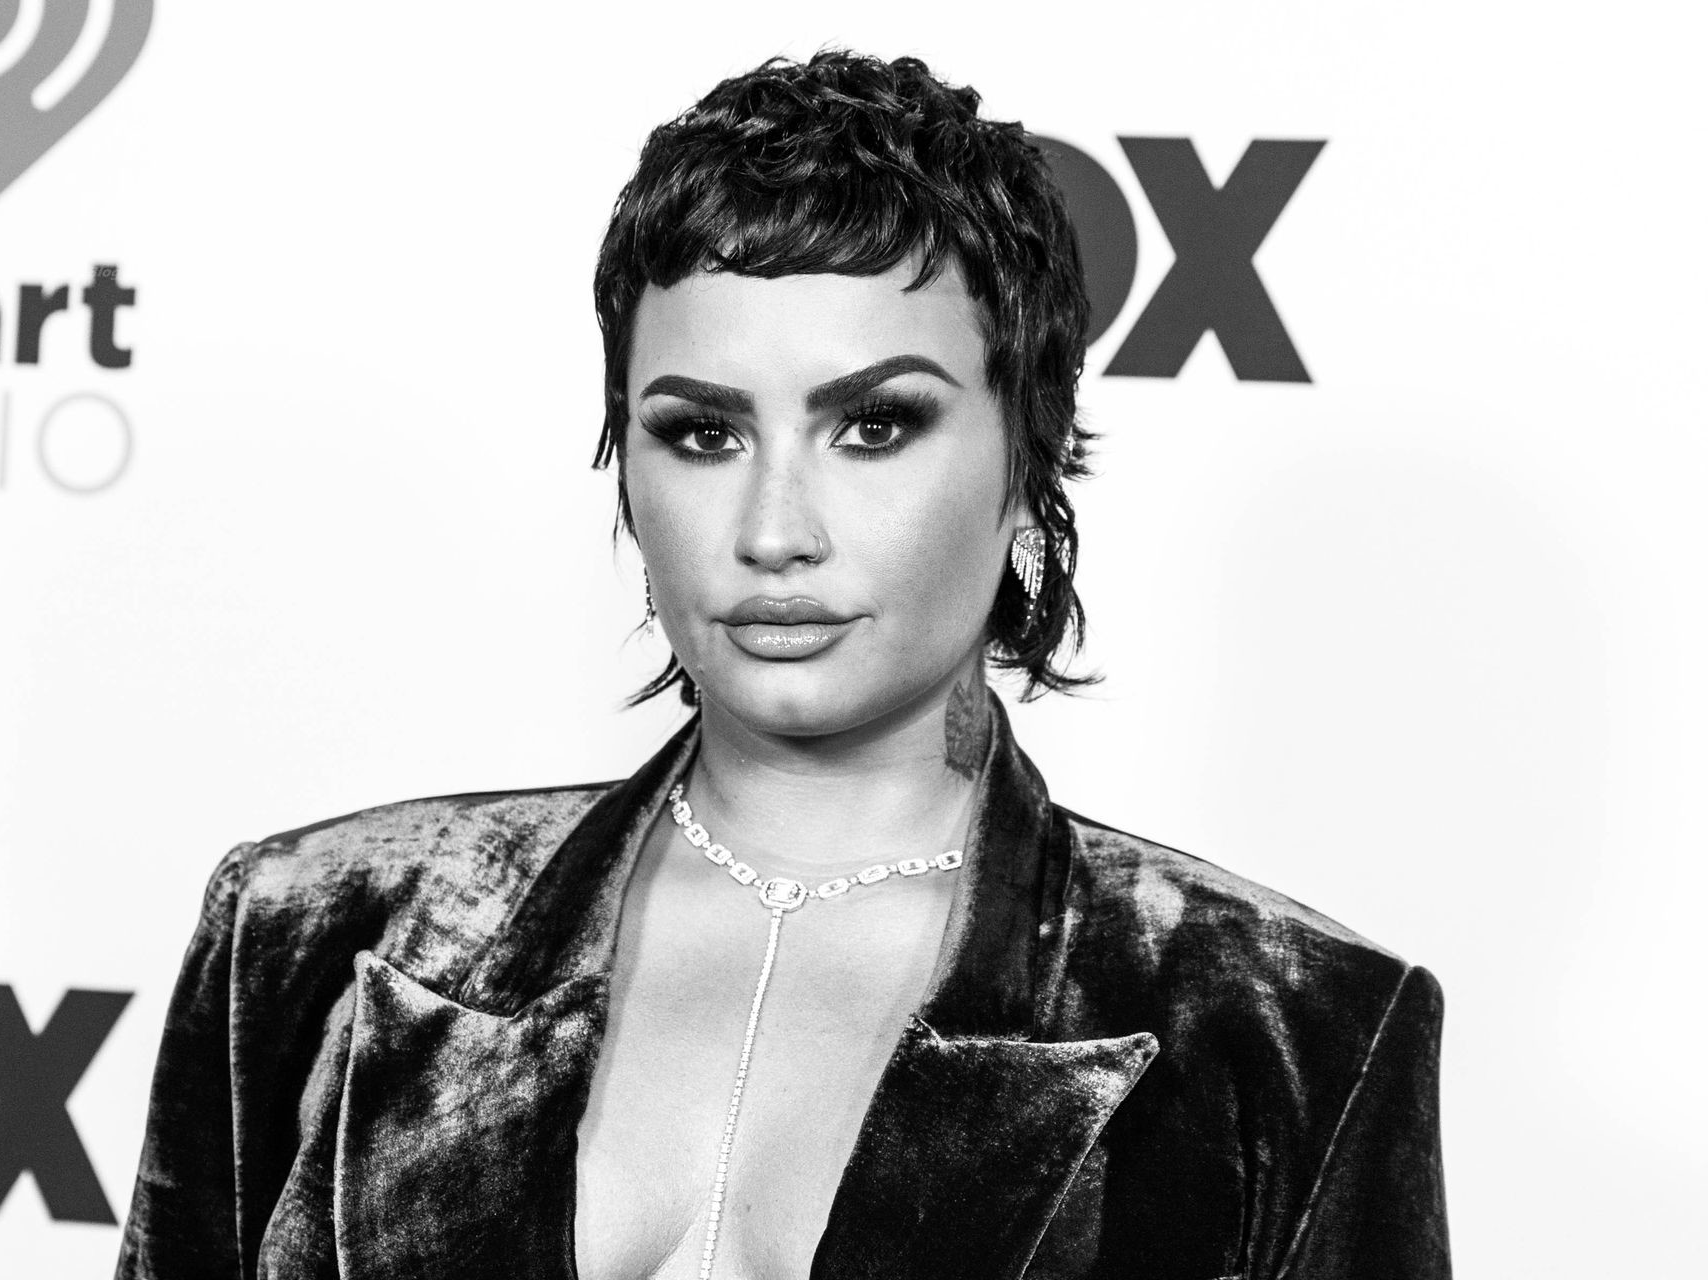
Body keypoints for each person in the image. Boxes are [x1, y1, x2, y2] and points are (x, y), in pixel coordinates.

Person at [116, 50, 1449, 1280]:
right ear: (627, 466)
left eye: (874, 425)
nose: (772, 530)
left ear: (1028, 461)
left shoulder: (1288, 1029)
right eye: (702, 434)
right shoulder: (313, 935)